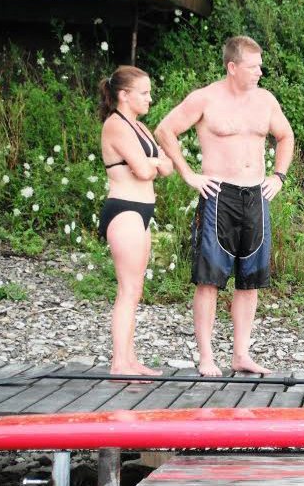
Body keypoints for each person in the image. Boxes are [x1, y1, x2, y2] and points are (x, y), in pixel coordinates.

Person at [154, 36, 295, 376]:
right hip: (219, 195)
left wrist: (279, 176)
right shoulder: (206, 98)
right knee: (209, 279)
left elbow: (286, 136)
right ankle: (206, 357)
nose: (260, 72)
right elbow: (165, 130)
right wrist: (188, 174)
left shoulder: (266, 101)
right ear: (232, 67)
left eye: (260, 66)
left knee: (250, 279)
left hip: (256, 196)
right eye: (253, 66)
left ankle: (241, 355)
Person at [97, 65, 174, 378]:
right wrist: (153, 163)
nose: (149, 98)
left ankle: (130, 360)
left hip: (142, 211)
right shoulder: (115, 125)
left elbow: (166, 167)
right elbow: (144, 171)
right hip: (124, 210)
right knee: (128, 289)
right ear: (124, 95)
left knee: (135, 289)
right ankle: (119, 363)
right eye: (144, 93)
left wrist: (152, 162)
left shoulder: (139, 127)